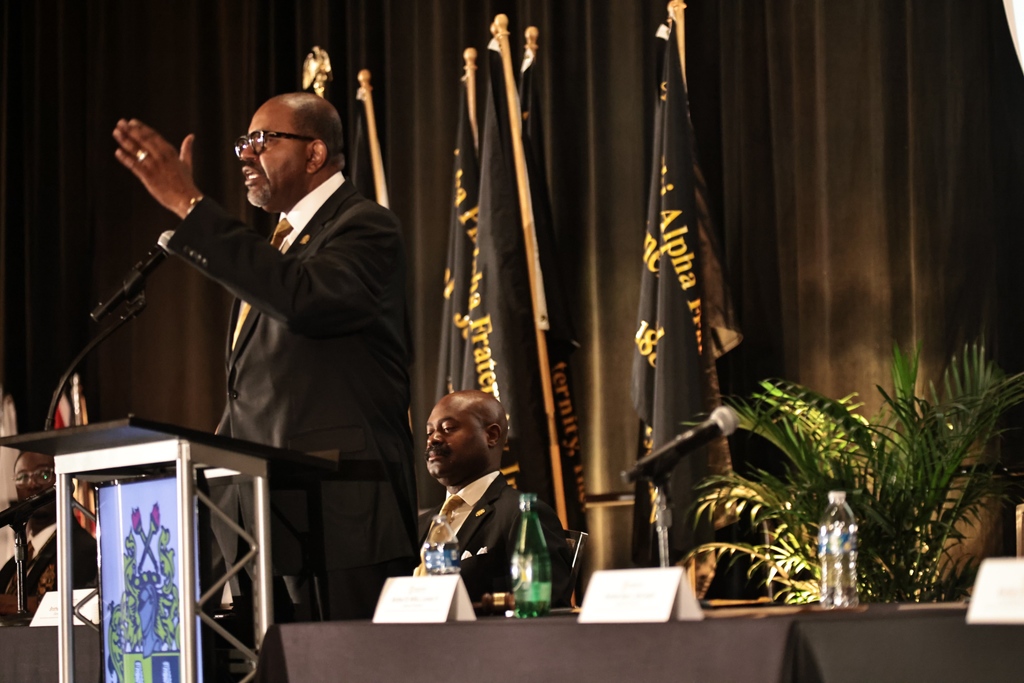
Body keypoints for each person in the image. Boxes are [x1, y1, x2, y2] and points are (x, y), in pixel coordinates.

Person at [111, 93, 419, 620]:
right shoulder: (277, 246)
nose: (246, 156)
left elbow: (303, 299)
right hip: (263, 520)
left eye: (262, 141)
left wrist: (190, 206)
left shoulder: (365, 227)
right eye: (243, 143)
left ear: (315, 153)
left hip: (341, 519)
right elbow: (255, 390)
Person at [421, 390, 573, 605]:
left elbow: (547, 606)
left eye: (448, 428)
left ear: (491, 435)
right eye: (429, 432)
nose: (434, 439)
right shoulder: (420, 524)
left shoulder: (523, 515)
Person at [0, 451, 97, 608]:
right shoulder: (13, 563)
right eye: (23, 477)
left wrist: (19, 606)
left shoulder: (84, 550)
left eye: (44, 474)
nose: (32, 484)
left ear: (65, 480)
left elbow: (84, 609)